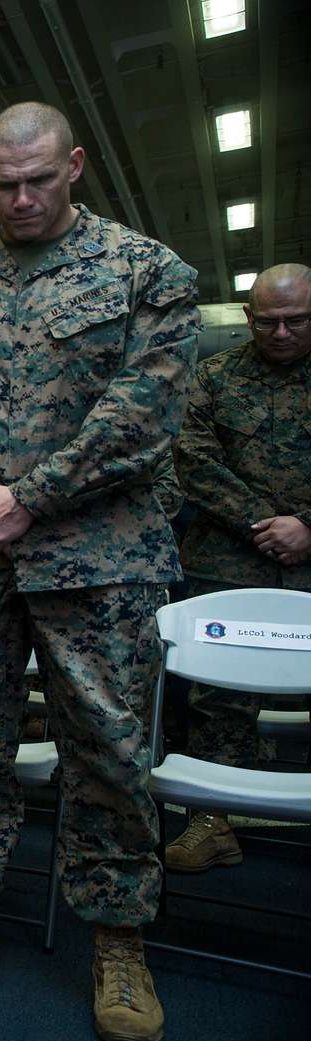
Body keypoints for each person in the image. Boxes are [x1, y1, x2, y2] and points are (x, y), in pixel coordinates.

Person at [0, 102, 198, 1041]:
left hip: (97, 558)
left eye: (38, 179)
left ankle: (117, 939)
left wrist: (33, 495)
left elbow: (145, 411)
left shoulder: (147, 273)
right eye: (1, 182)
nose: (20, 198)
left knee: (105, 747)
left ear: (75, 168)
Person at [167, 262, 311, 873]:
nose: (280, 333)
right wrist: (266, 524)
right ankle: (211, 820)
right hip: (229, 558)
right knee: (218, 693)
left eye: (296, 321)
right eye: (268, 321)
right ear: (247, 318)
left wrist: (307, 525)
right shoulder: (214, 377)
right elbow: (191, 457)